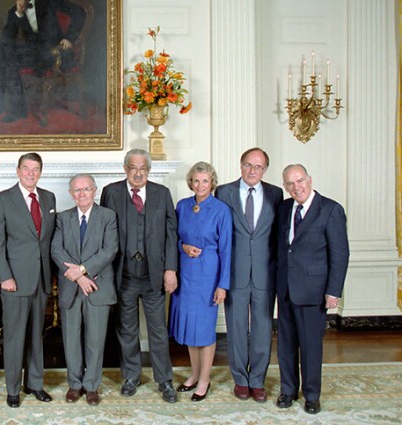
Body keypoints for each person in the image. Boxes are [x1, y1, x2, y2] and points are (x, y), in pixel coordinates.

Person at [100, 149, 179, 403]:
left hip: (153, 274)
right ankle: (131, 376)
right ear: (125, 169)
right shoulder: (111, 192)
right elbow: (103, 232)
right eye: (133, 168)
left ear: (149, 170)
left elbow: (171, 234)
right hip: (123, 275)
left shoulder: (161, 193)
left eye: (142, 168)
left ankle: (164, 379)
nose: (138, 173)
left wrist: (170, 269)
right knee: (127, 329)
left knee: (158, 329)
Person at [275, 164, 349, 415]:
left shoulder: (331, 210)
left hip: (314, 291)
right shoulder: (284, 208)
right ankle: (288, 390)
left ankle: (311, 395)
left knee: (310, 346)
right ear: (285, 186)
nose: (297, 187)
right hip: (285, 288)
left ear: (310, 179)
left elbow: (339, 254)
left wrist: (333, 291)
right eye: (290, 183)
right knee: (285, 344)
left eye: (300, 181)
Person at [0, 152, 57, 408]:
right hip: (13, 281)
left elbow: (48, 241)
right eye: (26, 168)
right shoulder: (2, 200)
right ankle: (13, 389)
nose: (31, 173)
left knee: (37, 336)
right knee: (15, 337)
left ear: (40, 172)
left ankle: (35, 384)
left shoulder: (49, 198)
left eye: (35, 169)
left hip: (40, 280)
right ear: (17, 171)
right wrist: (4, 276)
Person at [216, 148, 282, 402]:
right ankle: (240, 380)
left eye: (258, 167)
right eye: (248, 165)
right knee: (236, 327)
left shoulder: (276, 193)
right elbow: (218, 233)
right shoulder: (224, 192)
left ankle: (258, 381)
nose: (253, 171)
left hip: (266, 273)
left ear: (265, 169)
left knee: (263, 328)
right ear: (240, 165)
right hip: (235, 273)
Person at [51, 174, 118, 406]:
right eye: (77, 190)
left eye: (86, 189)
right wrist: (79, 278)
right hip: (72, 288)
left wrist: (82, 270)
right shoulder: (63, 218)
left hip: (98, 287)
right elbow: (56, 250)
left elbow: (109, 250)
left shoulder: (108, 217)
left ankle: (91, 386)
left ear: (94, 191)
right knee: (71, 340)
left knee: (95, 340)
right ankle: (75, 384)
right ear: (71, 193)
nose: (81, 194)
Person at [169, 162, 232, 402]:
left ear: (212, 182)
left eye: (205, 181)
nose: (200, 185)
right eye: (196, 180)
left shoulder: (221, 210)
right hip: (185, 273)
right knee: (189, 327)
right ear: (190, 182)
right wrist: (182, 247)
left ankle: (204, 379)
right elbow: (173, 237)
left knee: (204, 331)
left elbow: (227, 249)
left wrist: (222, 285)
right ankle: (194, 374)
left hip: (209, 274)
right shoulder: (183, 206)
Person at [0, 0, 86, 125]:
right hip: (34, 55)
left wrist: (69, 37)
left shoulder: (50, 0)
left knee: (7, 54)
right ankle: (18, 110)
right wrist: (18, 14)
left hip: (56, 53)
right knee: (5, 52)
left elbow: (80, 12)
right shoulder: (14, 11)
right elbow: (7, 39)